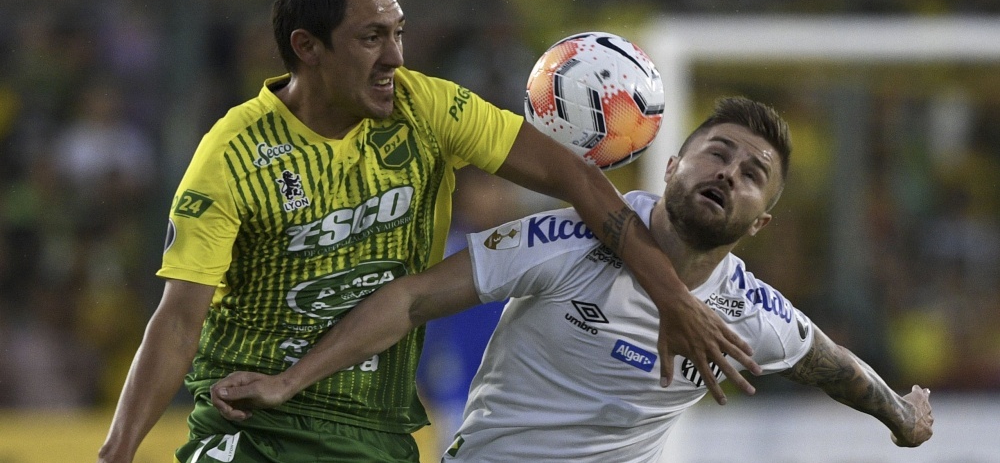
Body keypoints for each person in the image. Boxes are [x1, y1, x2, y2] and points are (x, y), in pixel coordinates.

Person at [97, 0, 760, 463]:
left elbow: (580, 184)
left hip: (376, 431)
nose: (395, 58)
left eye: (398, 33)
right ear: (308, 48)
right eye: (370, 39)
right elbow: (180, 320)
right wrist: (119, 449)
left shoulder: (428, 107)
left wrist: (673, 299)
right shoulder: (234, 155)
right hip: (254, 425)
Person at [210, 97, 934, 462]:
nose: (729, 174)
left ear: (759, 223)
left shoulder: (751, 312)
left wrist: (902, 418)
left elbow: (832, 365)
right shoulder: (568, 237)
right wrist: (286, 381)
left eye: (753, 177)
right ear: (673, 165)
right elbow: (412, 297)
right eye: (718, 154)